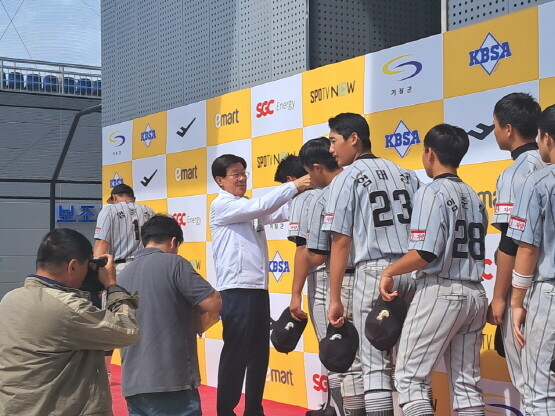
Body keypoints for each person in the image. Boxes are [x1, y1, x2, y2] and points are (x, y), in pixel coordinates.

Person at [379, 124, 488, 416]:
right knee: (466, 385)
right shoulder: (476, 197)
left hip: (442, 290)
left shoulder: (431, 192)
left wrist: (389, 271)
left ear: (429, 153)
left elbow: (424, 253)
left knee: (409, 379)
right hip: (475, 294)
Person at [323, 113, 419, 416]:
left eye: (334, 140)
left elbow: (340, 242)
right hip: (411, 269)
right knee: (410, 365)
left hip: (375, 272)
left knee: (373, 364)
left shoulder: (345, 179)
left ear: (354, 139)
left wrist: (335, 297)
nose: (331, 149)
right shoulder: (407, 174)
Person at [210, 154, 311, 416]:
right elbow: (263, 206)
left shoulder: (248, 206)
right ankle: (226, 411)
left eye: (243, 172)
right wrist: (295, 185)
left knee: (258, 354)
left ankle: (254, 409)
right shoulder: (221, 206)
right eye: (235, 174)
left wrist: (310, 193)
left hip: (257, 288)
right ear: (220, 181)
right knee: (235, 353)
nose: (241, 178)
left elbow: (281, 211)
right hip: (235, 289)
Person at [0, 228, 139, 416]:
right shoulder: (67, 308)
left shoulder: (10, 299)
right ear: (73, 266)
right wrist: (112, 285)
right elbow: (128, 331)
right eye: (86, 266)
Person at [290, 137, 365, 416]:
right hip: (374, 276)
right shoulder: (364, 183)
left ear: (317, 167)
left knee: (340, 357)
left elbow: (311, 253)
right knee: (370, 362)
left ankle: (337, 409)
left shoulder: (321, 196)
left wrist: (295, 293)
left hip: (331, 280)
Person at [118, 215, 221, 416]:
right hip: (172, 380)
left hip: (134, 382)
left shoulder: (123, 274)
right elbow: (213, 302)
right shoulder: (175, 264)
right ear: (174, 241)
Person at [486, 92, 545, 398]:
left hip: (529, 291)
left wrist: (499, 297)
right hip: (544, 282)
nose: (494, 132)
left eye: (495, 125)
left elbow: (512, 240)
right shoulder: (547, 165)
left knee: (531, 386)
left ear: (508, 128)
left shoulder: (516, 173)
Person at [508, 104, 555, 416]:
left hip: (549, 293)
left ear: (547, 138)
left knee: (540, 394)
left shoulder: (537, 181)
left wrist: (516, 301)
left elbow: (526, 249)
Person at [94, 183, 155, 273]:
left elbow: (102, 243)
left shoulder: (109, 210)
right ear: (133, 199)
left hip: (121, 268)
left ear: (114, 197)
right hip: (147, 266)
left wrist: (96, 268)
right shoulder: (149, 211)